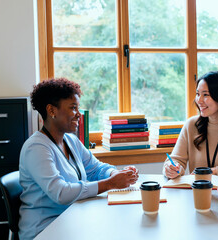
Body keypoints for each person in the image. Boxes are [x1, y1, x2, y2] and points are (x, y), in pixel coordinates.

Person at [19, 78, 139, 240]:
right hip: (45, 230)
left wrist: (117, 174)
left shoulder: (71, 141)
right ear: (51, 110)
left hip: (72, 221)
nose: (79, 114)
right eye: (73, 108)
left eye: (78, 108)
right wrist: (110, 183)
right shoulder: (36, 148)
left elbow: (96, 169)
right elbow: (61, 193)